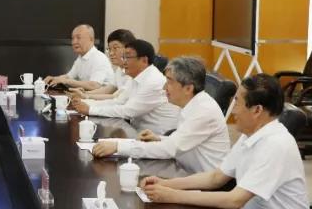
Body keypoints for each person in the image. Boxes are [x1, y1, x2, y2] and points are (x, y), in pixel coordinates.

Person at [142, 74, 310, 209]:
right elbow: (215, 178)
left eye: (237, 102)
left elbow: (235, 199)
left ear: (257, 110)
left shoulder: (276, 144)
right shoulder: (250, 134)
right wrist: (166, 183)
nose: (233, 110)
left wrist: (172, 196)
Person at [92, 56, 230, 174]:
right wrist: (160, 139)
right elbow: (181, 141)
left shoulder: (203, 111)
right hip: (185, 172)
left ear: (188, 88)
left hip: (204, 185)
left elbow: (169, 149)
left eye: (169, 81)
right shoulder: (192, 104)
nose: (164, 87)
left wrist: (118, 147)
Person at [73, 39, 179, 135]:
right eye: (123, 57)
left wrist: (90, 109)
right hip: (139, 132)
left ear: (144, 60)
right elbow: (119, 101)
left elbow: (128, 111)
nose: (124, 61)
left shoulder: (153, 81)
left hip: (158, 138)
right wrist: (85, 103)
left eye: (127, 57)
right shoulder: (135, 77)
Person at [72, 28, 135, 100]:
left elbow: (116, 97)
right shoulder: (119, 69)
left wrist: (86, 96)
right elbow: (108, 89)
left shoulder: (133, 71)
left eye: (115, 48)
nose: (111, 53)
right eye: (109, 49)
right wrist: (84, 93)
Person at [43, 24, 112, 91]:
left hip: (102, 97)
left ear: (91, 39)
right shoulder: (80, 58)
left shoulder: (99, 58)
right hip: (87, 96)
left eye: (78, 38)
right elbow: (69, 76)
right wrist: (54, 78)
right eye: (72, 38)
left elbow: (94, 85)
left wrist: (66, 81)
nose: (74, 42)